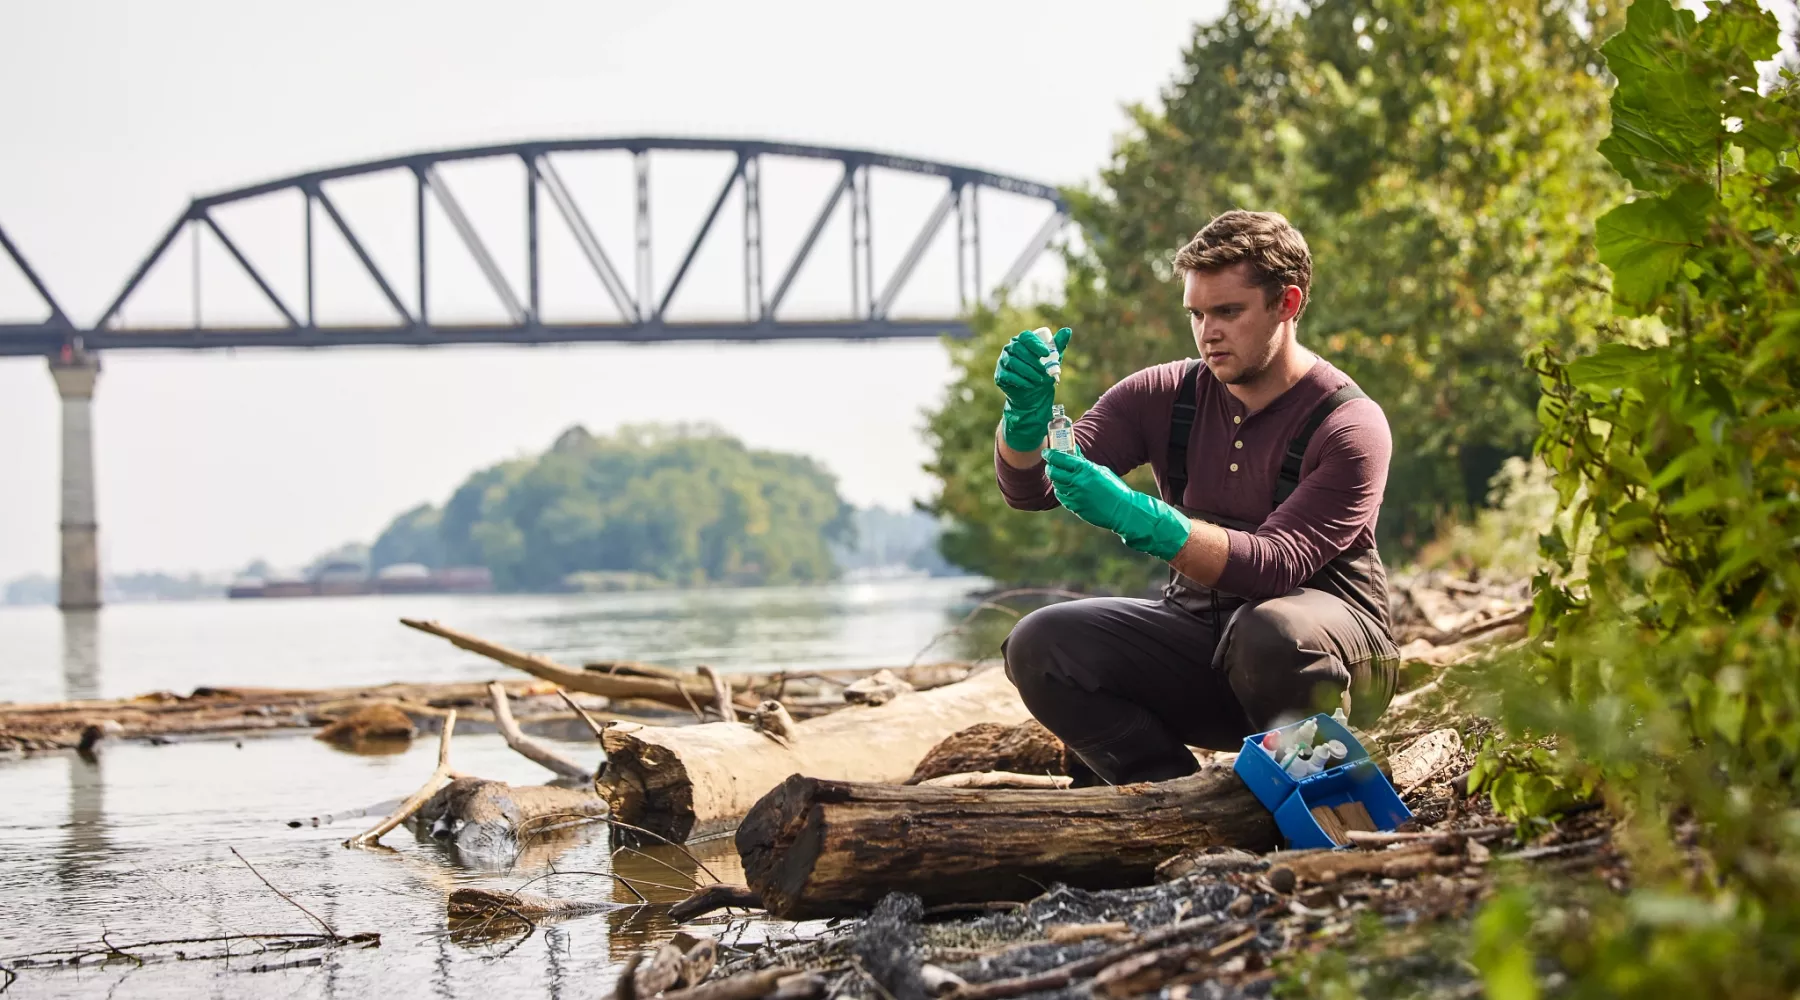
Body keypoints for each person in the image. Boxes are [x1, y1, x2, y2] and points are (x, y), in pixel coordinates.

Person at [992, 210, 1398, 787]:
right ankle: (1168, 798)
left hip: (1331, 664)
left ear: (1287, 303)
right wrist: (1022, 422)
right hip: (1202, 650)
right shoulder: (1162, 393)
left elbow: (1274, 566)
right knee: (1040, 643)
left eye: (1228, 311)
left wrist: (1146, 519)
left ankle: (1327, 797)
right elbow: (1034, 490)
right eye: (1197, 313)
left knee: (1269, 632)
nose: (1208, 331)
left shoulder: (1349, 424)